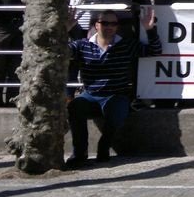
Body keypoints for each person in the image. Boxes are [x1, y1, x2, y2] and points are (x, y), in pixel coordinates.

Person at [65, 10, 163, 168]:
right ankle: (79, 153)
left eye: (113, 24)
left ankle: (104, 145)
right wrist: (65, 31)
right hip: (91, 95)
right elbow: (60, 52)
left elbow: (155, 51)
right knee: (74, 108)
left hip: (116, 95)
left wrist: (149, 29)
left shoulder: (126, 45)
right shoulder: (82, 45)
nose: (109, 27)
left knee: (118, 108)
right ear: (96, 25)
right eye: (105, 23)